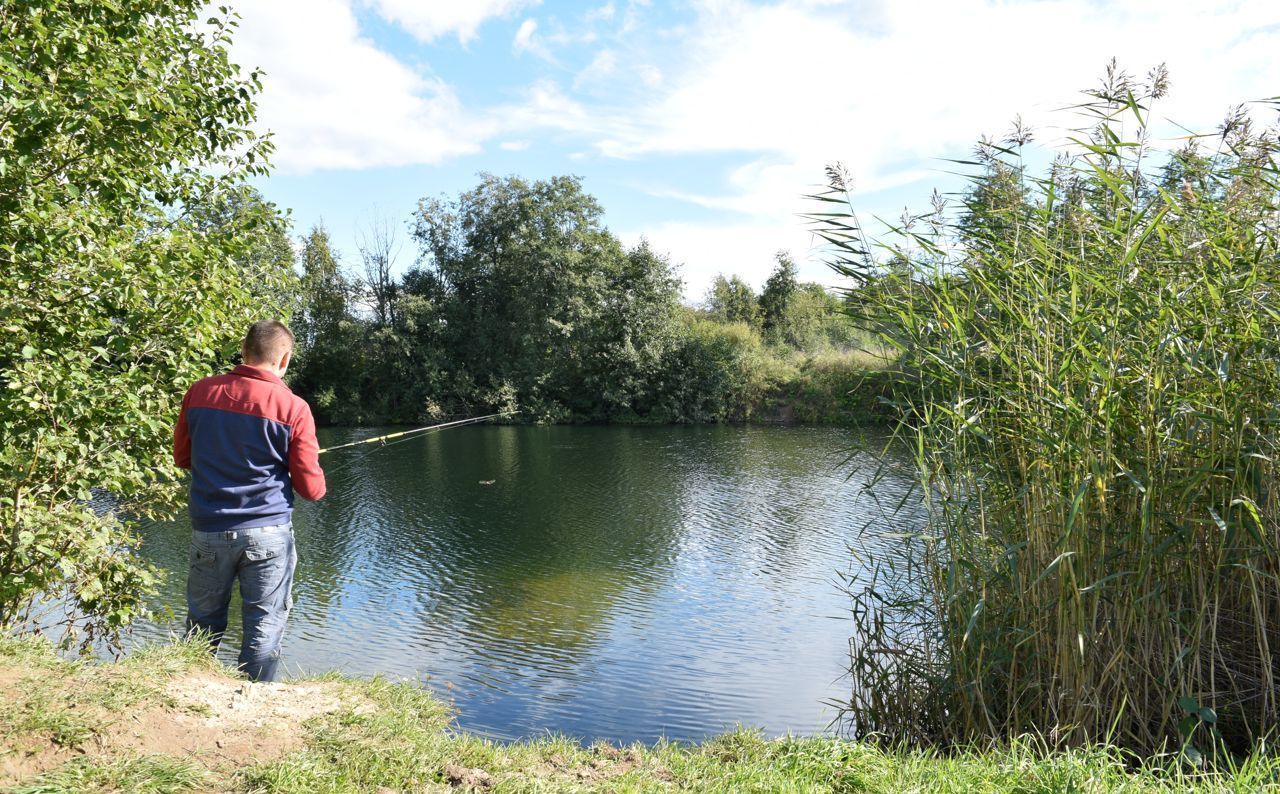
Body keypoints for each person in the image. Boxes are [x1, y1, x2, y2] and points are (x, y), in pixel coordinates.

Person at [172, 320, 326, 682]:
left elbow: (182, 457)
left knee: (202, 623)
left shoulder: (200, 393)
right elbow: (311, 489)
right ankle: (254, 701)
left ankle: (188, 692)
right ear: (284, 359)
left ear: (243, 351)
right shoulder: (294, 407)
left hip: (209, 529)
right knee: (264, 624)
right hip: (268, 535)